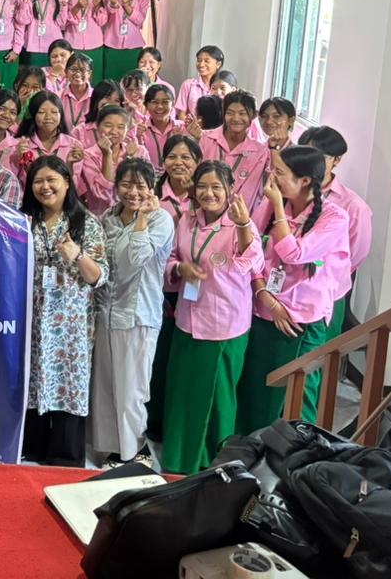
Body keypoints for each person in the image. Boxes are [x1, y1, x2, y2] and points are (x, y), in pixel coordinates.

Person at [236, 146, 351, 432]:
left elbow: (294, 254)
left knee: (298, 397)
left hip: (301, 320)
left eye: (279, 173)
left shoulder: (334, 217)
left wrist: (277, 207)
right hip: (265, 309)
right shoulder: (273, 205)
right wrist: (265, 296)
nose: (272, 178)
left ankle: (295, 452)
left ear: (305, 180)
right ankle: (249, 449)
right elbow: (252, 252)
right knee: (257, 389)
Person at [161, 161, 262, 474]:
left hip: (224, 326)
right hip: (187, 319)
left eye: (216, 187)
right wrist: (180, 269)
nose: (209, 193)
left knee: (218, 400)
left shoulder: (240, 224)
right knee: (183, 395)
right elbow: (173, 257)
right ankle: (178, 461)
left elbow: (252, 262)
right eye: (202, 187)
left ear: (230, 189)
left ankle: (215, 466)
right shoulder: (187, 220)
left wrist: (243, 225)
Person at [20, 156, 107, 466]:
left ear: (67, 183)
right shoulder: (24, 220)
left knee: (68, 382)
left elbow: (99, 277)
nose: (45, 187)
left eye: (51, 180)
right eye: (38, 181)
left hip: (71, 323)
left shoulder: (85, 222)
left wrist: (78, 254)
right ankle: (33, 447)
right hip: (31, 318)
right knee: (33, 378)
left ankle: (64, 456)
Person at [90, 158, 176, 465]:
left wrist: (141, 218)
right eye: (126, 184)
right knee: (105, 387)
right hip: (106, 313)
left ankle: (136, 452)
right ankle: (113, 447)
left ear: (152, 187)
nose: (133, 192)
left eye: (140, 185)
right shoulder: (107, 218)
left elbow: (138, 258)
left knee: (132, 390)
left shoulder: (161, 219)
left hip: (139, 314)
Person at [145, 134, 203, 440]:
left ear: (198, 162)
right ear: (163, 161)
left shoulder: (205, 195)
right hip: (157, 287)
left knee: (182, 363)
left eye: (186, 157)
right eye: (172, 157)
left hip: (197, 290)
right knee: (157, 358)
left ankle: (178, 422)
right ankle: (154, 420)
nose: (179, 163)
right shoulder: (152, 195)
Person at [299, 126, 373, 342]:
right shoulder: (289, 193)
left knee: (319, 354)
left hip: (327, 295)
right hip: (287, 292)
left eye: (320, 157)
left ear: (337, 160)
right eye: (306, 154)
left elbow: (355, 255)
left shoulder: (353, 207)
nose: (311, 162)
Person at [195, 90, 269, 210]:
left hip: (237, 214)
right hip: (203, 208)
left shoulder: (259, 151)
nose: (236, 118)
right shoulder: (205, 138)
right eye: (230, 113)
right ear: (223, 114)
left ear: (252, 116)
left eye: (242, 113)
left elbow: (251, 192)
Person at [61, 0, 108, 81]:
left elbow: (102, 21)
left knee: (93, 80)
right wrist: (77, 7)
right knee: (73, 79)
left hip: (95, 44)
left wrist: (97, 6)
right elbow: (63, 21)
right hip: (73, 42)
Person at [102, 0, 150, 82]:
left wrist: (127, 6)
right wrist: (114, 3)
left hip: (133, 47)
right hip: (112, 44)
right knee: (111, 81)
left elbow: (139, 20)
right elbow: (108, 15)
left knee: (131, 81)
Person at [19, 0, 67, 64]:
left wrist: (64, 5)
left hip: (54, 45)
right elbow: (24, 20)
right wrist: (24, 0)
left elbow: (62, 23)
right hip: (33, 44)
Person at [138, 83, 182, 169]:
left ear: (173, 104)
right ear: (146, 105)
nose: (160, 106)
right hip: (147, 175)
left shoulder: (182, 128)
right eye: (154, 102)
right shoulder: (139, 130)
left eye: (165, 102)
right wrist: (138, 138)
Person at [175, 45, 224, 118]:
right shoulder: (188, 85)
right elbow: (181, 114)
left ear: (218, 64)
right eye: (199, 60)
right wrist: (193, 125)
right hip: (191, 125)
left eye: (207, 61)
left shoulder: (223, 87)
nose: (201, 64)